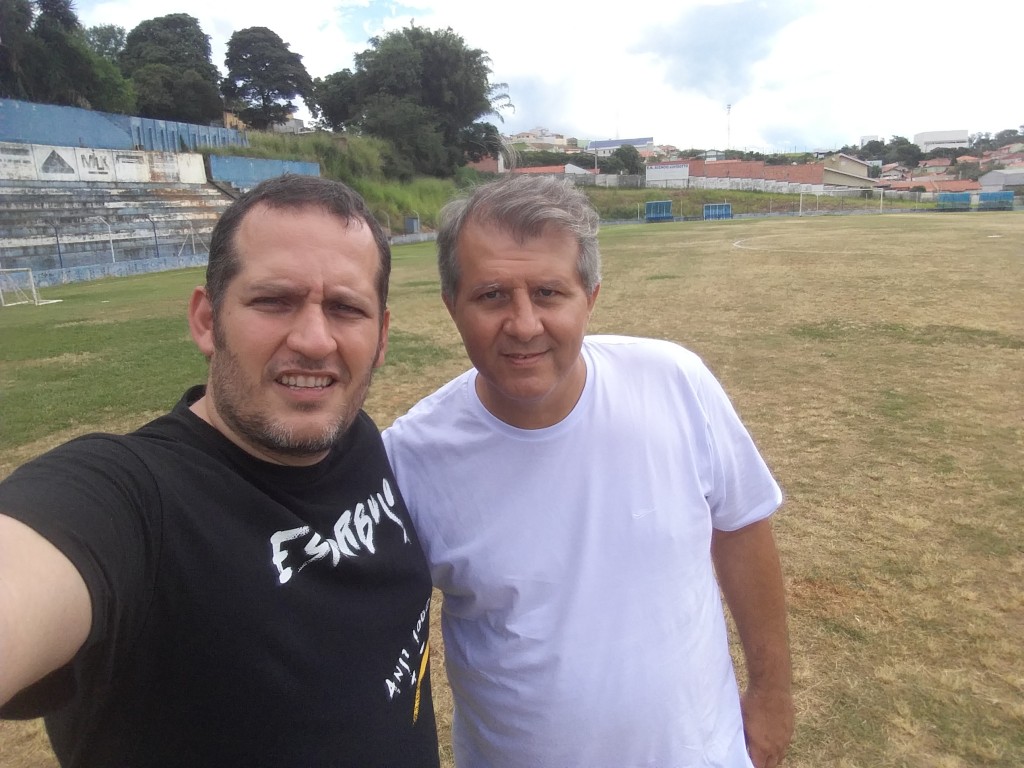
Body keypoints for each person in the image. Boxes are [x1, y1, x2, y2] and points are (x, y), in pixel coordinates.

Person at [0, 175, 440, 767]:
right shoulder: (132, 500)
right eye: (273, 301)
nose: (314, 340)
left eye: (345, 308)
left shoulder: (354, 438)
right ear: (207, 320)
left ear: (381, 336)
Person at [383, 175, 794, 768]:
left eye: (549, 293)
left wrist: (772, 694)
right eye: (492, 295)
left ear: (591, 298)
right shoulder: (410, 456)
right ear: (452, 305)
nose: (523, 325)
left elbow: (743, 529)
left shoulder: (675, 383)